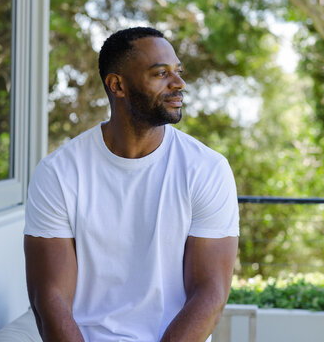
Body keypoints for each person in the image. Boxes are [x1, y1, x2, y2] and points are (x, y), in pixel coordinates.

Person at [24, 27, 240, 342]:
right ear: (117, 85)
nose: (179, 84)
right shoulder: (58, 173)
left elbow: (210, 293)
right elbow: (50, 297)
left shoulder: (207, 169)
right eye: (161, 73)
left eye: (177, 72)